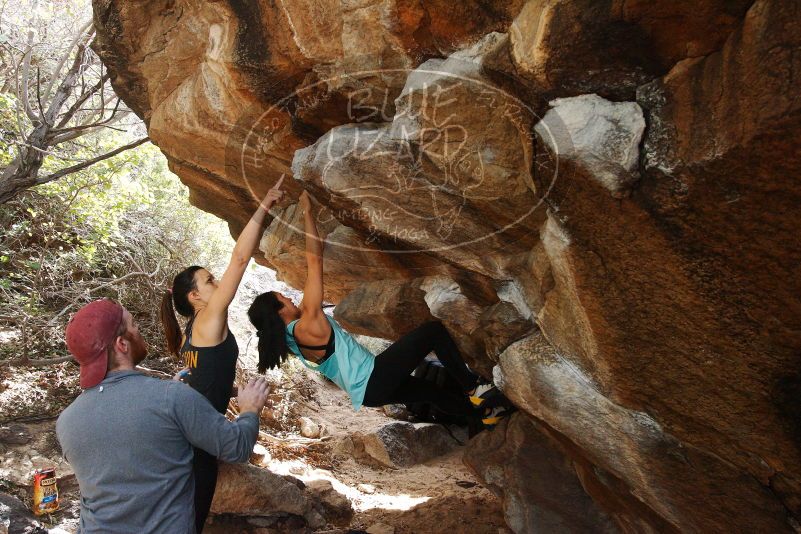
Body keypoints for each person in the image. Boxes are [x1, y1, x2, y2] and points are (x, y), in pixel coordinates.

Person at [247, 190, 509, 427]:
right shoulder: (307, 325)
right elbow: (314, 262)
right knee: (433, 331)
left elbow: (308, 280)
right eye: (285, 298)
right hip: (374, 378)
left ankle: (487, 416)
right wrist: (307, 212)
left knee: (431, 392)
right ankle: (473, 389)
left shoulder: (293, 337)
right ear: (279, 311)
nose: (291, 299)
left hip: (369, 393)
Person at [56, 299, 271, 534]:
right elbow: (237, 447)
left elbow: (122, 453)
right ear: (122, 344)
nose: (139, 330)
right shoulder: (171, 398)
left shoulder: (66, 421)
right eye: (134, 324)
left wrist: (166, 399)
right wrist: (249, 409)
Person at [159, 177, 284, 532]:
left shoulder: (194, 327)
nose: (218, 284)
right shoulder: (210, 318)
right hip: (195, 438)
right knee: (191, 519)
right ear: (195, 297)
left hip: (186, 428)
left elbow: (202, 377)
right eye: (210, 281)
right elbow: (241, 259)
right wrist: (265, 205)